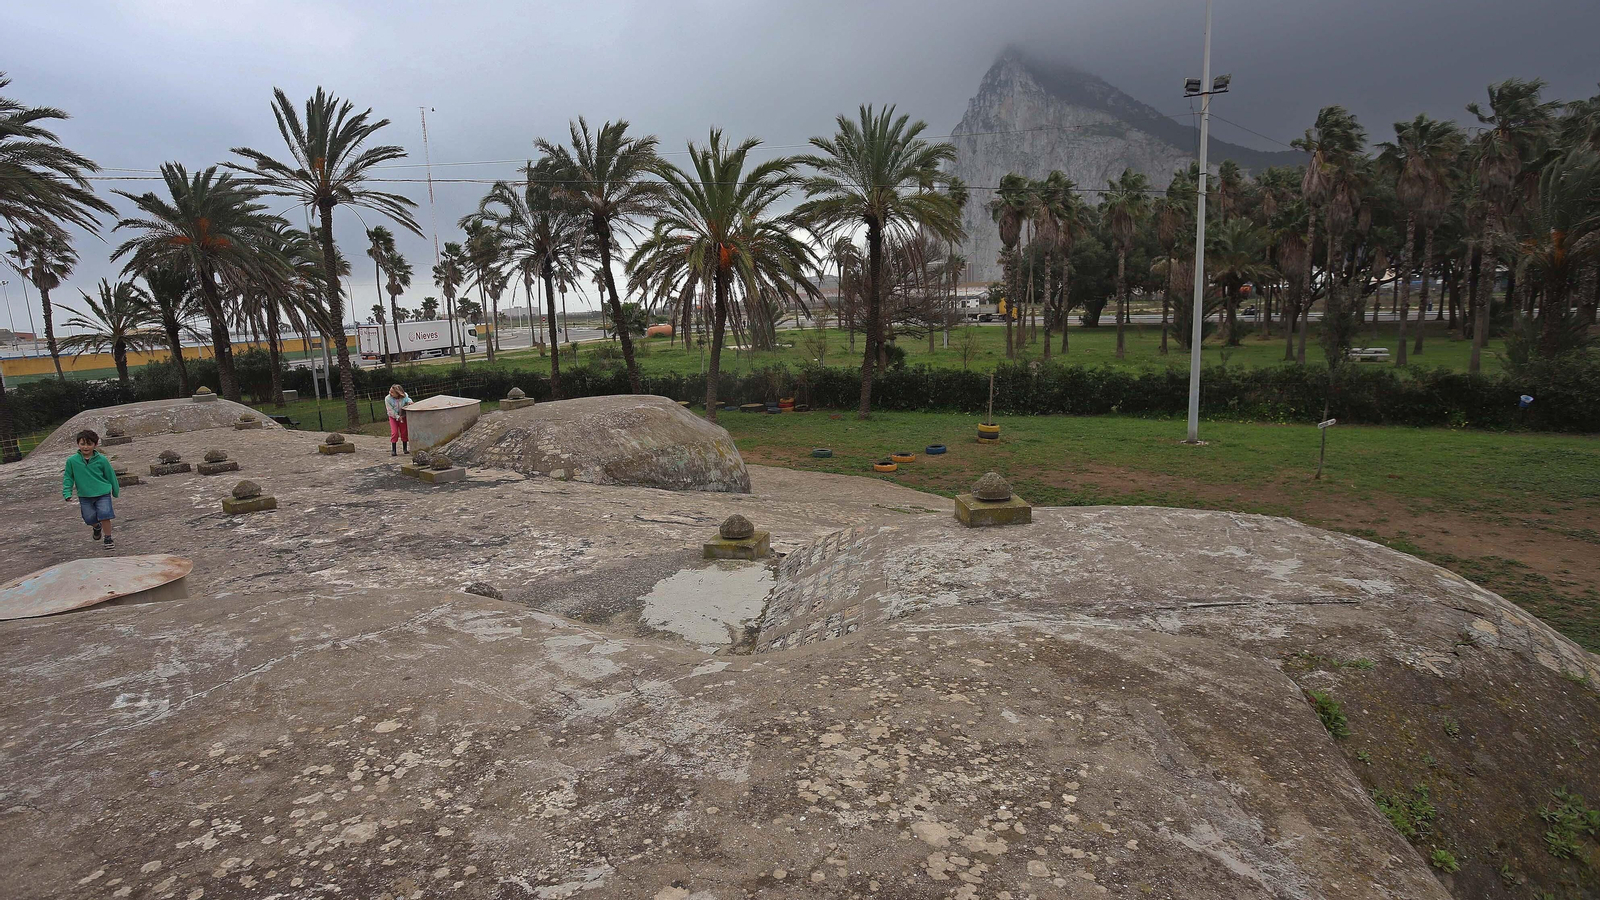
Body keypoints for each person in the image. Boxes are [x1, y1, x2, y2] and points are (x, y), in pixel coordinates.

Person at [63, 428, 120, 548]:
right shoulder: (72, 461)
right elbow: (68, 478)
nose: (86, 447)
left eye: (89, 444)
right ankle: (97, 527)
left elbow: (110, 475)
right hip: (84, 495)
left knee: (105, 515)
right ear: (78, 444)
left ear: (95, 445)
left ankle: (108, 538)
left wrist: (115, 490)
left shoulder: (102, 460)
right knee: (89, 518)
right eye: (82, 444)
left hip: (102, 492)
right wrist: (67, 492)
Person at [384, 384, 413, 456]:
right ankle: (393, 450)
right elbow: (390, 410)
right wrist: (397, 416)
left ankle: (405, 448)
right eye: (390, 391)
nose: (390, 393)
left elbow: (408, 399)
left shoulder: (404, 395)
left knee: (404, 432)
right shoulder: (388, 399)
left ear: (398, 393)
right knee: (394, 432)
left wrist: (410, 402)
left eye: (392, 392)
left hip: (402, 415)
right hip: (393, 417)